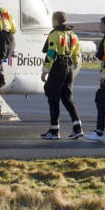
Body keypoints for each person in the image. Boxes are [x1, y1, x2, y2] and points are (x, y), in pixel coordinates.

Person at [39, 11, 83, 140]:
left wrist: (44, 71)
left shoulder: (55, 34)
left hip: (58, 67)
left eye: (53, 20)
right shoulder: (72, 34)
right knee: (67, 98)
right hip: (68, 67)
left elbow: (51, 53)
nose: (52, 22)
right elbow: (76, 52)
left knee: (53, 98)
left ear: (56, 21)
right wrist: (74, 64)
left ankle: (54, 131)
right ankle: (77, 128)